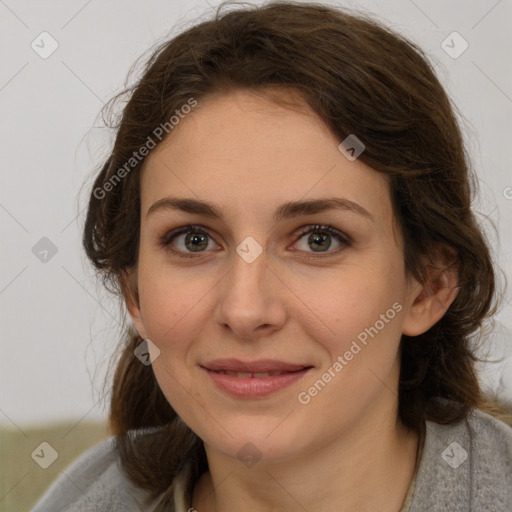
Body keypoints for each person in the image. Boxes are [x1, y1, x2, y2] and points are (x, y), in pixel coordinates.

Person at [31, 1, 512, 511]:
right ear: (134, 290)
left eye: (319, 239)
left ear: (428, 286)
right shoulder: (83, 499)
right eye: (193, 239)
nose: (245, 310)